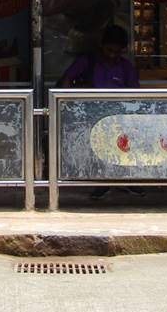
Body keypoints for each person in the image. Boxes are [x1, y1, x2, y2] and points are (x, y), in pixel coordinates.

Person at [58, 25, 142, 201]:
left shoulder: (126, 67)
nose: (112, 55)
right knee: (98, 150)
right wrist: (69, 104)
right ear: (102, 46)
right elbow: (67, 79)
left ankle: (124, 180)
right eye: (109, 50)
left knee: (122, 148)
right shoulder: (87, 62)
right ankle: (102, 182)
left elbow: (135, 93)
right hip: (91, 113)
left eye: (116, 52)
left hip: (119, 116)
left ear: (123, 51)